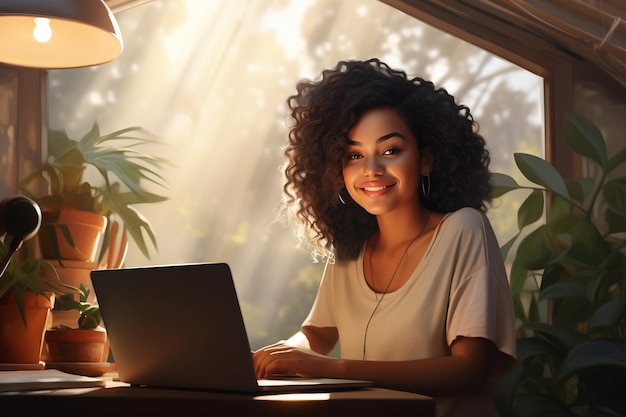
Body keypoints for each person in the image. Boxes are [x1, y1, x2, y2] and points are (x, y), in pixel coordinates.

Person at [252, 58, 517, 417]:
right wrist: (270, 357)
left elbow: (469, 370)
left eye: (391, 150)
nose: (372, 170)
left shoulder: (464, 230)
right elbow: (315, 337)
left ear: (425, 160)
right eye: (354, 155)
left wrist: (333, 369)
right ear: (336, 170)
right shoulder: (349, 253)